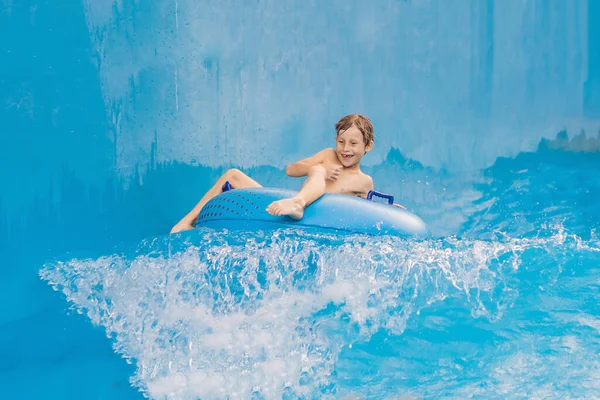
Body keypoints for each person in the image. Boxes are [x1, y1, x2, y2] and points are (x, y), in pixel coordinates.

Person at [170, 114, 394, 234]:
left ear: (368, 146)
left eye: (353, 143)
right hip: (292, 208)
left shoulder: (365, 181)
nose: (346, 149)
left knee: (316, 172)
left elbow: (364, 208)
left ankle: (298, 203)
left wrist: (390, 209)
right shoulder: (328, 156)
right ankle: (185, 222)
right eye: (341, 142)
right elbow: (291, 170)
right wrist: (319, 169)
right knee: (232, 175)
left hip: (313, 217)